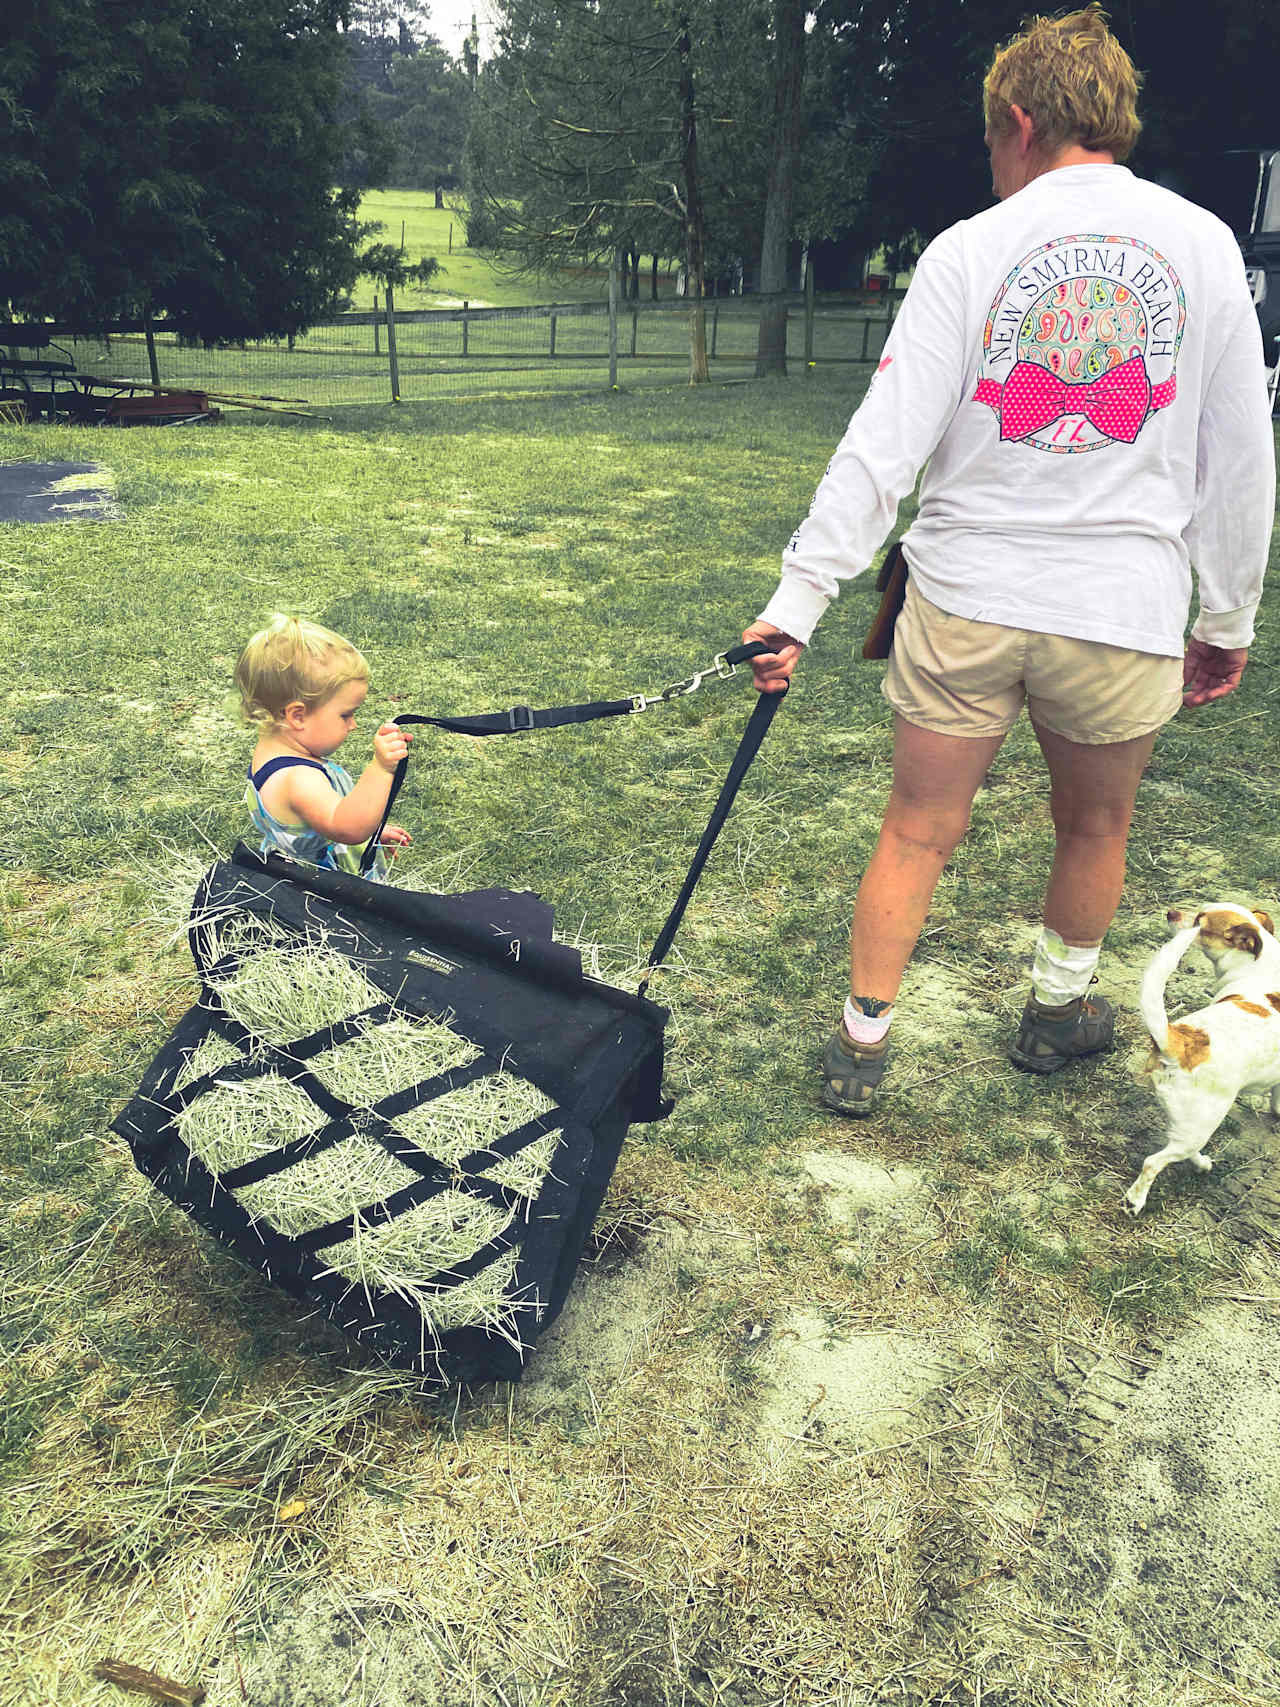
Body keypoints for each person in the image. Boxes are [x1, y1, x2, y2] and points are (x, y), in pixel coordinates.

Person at [744, 6, 1276, 1115]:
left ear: (1019, 122)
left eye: (992, 141)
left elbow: (879, 442)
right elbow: (1239, 458)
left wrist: (797, 601)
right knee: (1093, 824)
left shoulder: (968, 250)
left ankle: (861, 1042)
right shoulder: (1205, 245)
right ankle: (1054, 1009)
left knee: (914, 826)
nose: (993, 166)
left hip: (963, 599)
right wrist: (1224, 619)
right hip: (1119, 608)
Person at [234, 615, 413, 879]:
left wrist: (374, 831)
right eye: (345, 715)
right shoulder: (299, 779)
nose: (353, 725)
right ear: (297, 716)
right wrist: (382, 768)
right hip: (327, 896)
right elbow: (348, 828)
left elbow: (321, 819)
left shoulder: (274, 753)